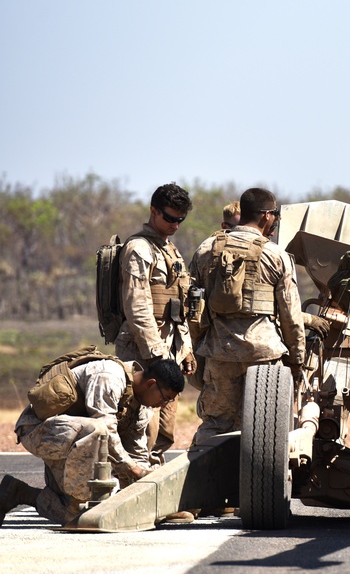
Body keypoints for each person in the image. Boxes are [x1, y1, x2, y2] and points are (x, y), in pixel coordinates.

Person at [1, 356, 184, 527]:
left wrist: (149, 494)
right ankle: (82, 501)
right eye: (164, 398)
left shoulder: (141, 409)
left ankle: (19, 492)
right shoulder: (109, 376)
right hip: (39, 432)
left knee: (72, 515)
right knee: (98, 430)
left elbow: (136, 453)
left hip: (71, 439)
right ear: (151, 384)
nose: (163, 405)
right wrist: (134, 469)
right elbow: (105, 429)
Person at [189, 188, 307, 446]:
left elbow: (193, 309)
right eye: (275, 214)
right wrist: (297, 361)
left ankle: (208, 482)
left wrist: (199, 349)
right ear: (266, 216)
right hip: (263, 358)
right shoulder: (276, 255)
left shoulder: (206, 249)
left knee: (214, 426)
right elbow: (291, 316)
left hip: (219, 352)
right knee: (267, 434)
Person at [115, 183, 196, 466]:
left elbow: (178, 305)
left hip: (168, 349)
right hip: (143, 353)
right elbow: (137, 307)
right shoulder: (139, 249)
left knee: (164, 430)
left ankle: (153, 484)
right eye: (169, 218)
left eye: (180, 220)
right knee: (140, 427)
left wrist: (184, 349)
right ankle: (131, 488)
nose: (175, 225)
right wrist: (157, 356)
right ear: (153, 211)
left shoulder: (169, 250)